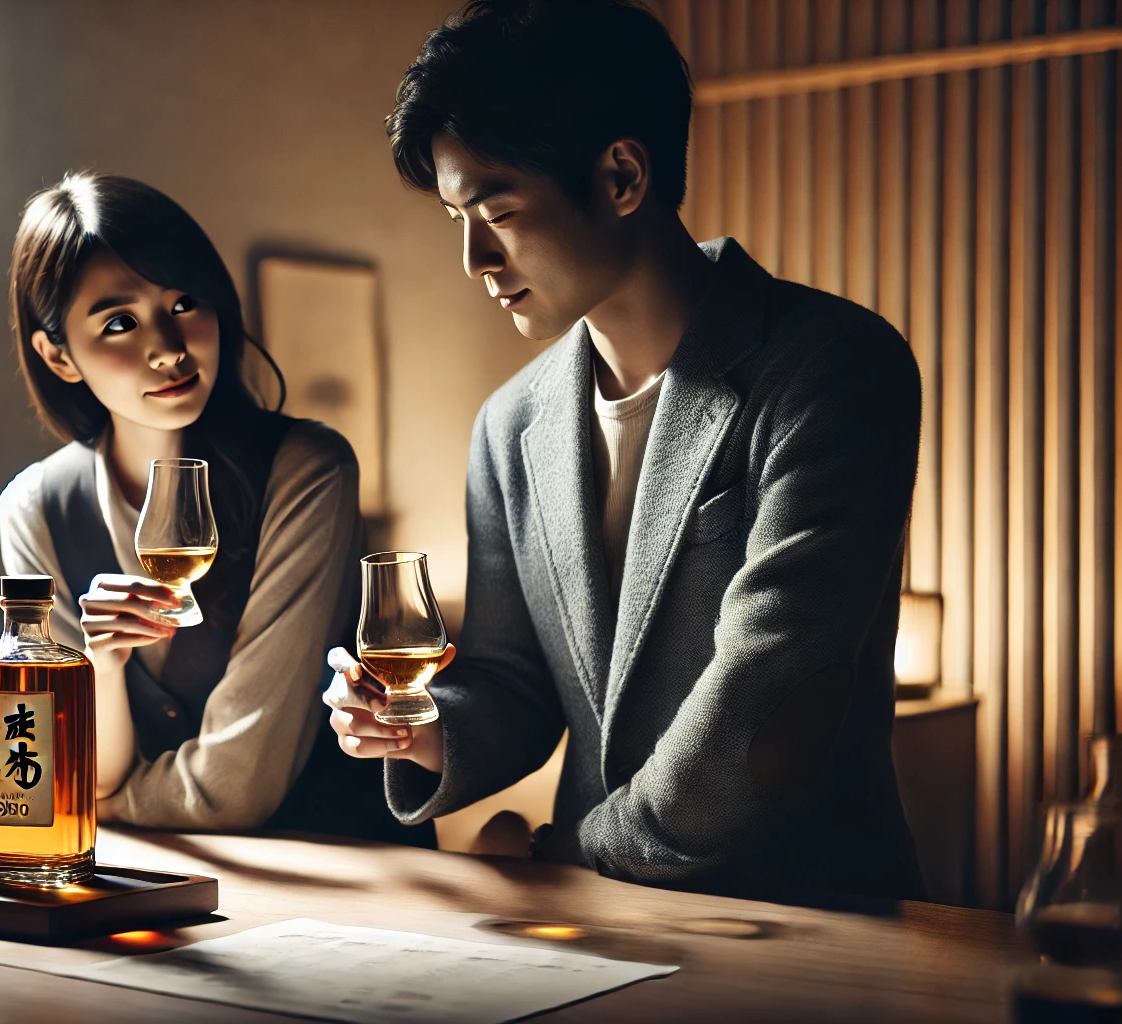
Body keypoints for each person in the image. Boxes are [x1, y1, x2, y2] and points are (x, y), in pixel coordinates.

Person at [327, 0, 925, 903]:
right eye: (456, 217)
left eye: (498, 211)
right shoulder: (510, 422)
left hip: (808, 916)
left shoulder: (834, 367)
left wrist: (575, 852)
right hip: (598, 924)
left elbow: (768, 696)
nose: (474, 258)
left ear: (620, 176)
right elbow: (516, 682)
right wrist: (420, 728)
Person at [0, 171, 430, 845]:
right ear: (58, 355)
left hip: (341, 875)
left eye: (184, 303)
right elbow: (71, 767)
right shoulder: (34, 508)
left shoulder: (307, 470)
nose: (169, 349)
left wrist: (99, 806)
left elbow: (232, 789)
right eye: (118, 322)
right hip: (151, 880)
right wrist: (103, 669)